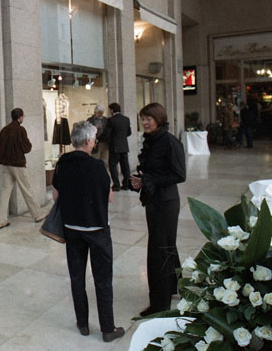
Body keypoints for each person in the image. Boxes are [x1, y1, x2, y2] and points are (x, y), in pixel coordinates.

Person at [52, 121, 125, 342]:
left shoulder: (62, 162)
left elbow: (56, 195)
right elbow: (109, 197)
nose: (94, 142)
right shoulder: (97, 166)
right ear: (87, 141)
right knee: (103, 279)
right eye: (93, 139)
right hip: (97, 229)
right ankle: (107, 328)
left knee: (77, 277)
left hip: (71, 228)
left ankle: (83, 324)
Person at [129, 103, 186, 317]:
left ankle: (160, 304)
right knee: (166, 245)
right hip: (155, 200)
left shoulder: (170, 142)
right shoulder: (152, 140)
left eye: (148, 119)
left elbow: (179, 174)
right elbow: (152, 171)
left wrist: (149, 180)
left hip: (166, 203)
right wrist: (140, 180)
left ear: (159, 119)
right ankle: (174, 286)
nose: (145, 122)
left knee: (158, 250)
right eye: (142, 119)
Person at [0, 108, 46, 229]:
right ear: (20, 117)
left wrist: (0, 160)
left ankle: (1, 220)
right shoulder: (20, 130)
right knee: (27, 189)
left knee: (5, 192)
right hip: (18, 165)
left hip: (6, 165)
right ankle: (37, 214)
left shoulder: (4, 130)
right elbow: (27, 148)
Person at [105, 103, 131, 191]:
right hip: (124, 146)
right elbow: (129, 132)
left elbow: (107, 133)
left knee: (113, 165)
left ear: (112, 110)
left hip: (114, 146)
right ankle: (126, 184)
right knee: (125, 166)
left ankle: (116, 184)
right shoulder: (126, 119)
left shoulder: (111, 120)